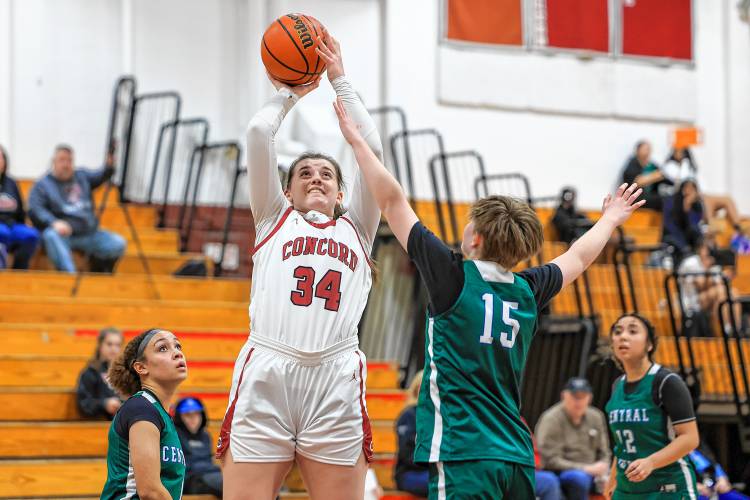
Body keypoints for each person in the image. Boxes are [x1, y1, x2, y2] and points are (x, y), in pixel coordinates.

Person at [334, 92, 646, 498]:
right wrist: (610, 218)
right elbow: (579, 257)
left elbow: (392, 201)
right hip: (516, 454)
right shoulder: (528, 289)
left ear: (475, 238)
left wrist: (357, 144)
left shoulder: (453, 276)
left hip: (464, 450)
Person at [217, 31, 382, 500]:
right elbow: (256, 134)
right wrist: (291, 92)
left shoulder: (359, 228)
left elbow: (373, 152)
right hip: (268, 368)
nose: (316, 178)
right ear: (286, 190)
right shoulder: (272, 218)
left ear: (342, 193)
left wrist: (341, 82)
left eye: (327, 174)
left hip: (335, 376)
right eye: (304, 173)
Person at [604, 314, 700, 500]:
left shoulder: (666, 382)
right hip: (627, 490)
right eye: (618, 331)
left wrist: (651, 462)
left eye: (633, 331)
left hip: (668, 488)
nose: (623, 336)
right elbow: (621, 443)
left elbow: (690, 438)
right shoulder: (617, 385)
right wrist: (613, 475)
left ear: (649, 345)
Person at [101, 328, 188, 499]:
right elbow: (150, 491)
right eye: (163, 348)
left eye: (178, 346)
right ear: (141, 367)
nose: (177, 353)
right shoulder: (141, 408)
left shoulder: (159, 412)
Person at [28, 144, 126, 273]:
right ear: (53, 162)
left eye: (69, 160)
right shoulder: (43, 185)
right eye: (62, 160)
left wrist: (110, 165)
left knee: (118, 243)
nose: (66, 164)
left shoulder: (82, 176)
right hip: (64, 235)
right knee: (50, 235)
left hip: (89, 233)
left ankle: (98, 270)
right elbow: (35, 208)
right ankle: (69, 278)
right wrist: (53, 222)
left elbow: (101, 175)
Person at [535, 377, 611, 500]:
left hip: (594, 473)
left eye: (583, 396)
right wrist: (585, 468)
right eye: (574, 396)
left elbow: (604, 451)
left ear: (590, 398)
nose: (579, 401)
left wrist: (604, 468)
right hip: (560, 472)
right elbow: (550, 460)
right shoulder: (551, 419)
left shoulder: (597, 416)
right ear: (564, 396)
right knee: (579, 478)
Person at [173, 397, 223, 497]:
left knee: (234, 483)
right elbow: (179, 469)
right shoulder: (175, 435)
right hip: (189, 480)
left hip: (208, 475)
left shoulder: (205, 435)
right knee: (227, 485)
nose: (193, 419)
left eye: (197, 414)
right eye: (187, 415)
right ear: (179, 417)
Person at [0, 144, 39, 269]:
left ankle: (19, 269)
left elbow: (20, 209)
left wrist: (23, 223)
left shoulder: (11, 183)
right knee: (3, 233)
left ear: (5, 161)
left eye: (0, 157)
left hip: (11, 225)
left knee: (31, 235)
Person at [76, 327, 124, 419]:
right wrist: (104, 404)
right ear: (100, 345)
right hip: (98, 424)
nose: (114, 349)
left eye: (117, 345)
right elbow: (84, 404)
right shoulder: (90, 372)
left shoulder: (124, 372)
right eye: (109, 344)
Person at [394, 372, 429, 497]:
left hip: (430, 471)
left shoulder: (435, 415)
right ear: (416, 389)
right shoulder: (408, 415)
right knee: (439, 483)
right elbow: (406, 453)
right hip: (409, 473)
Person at [622, 141, 666, 211]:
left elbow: (662, 175)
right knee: (662, 200)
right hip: (635, 197)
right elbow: (636, 182)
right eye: (645, 149)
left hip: (649, 195)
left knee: (669, 198)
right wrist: (654, 176)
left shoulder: (651, 165)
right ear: (637, 150)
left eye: (649, 149)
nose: (648, 152)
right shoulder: (633, 163)